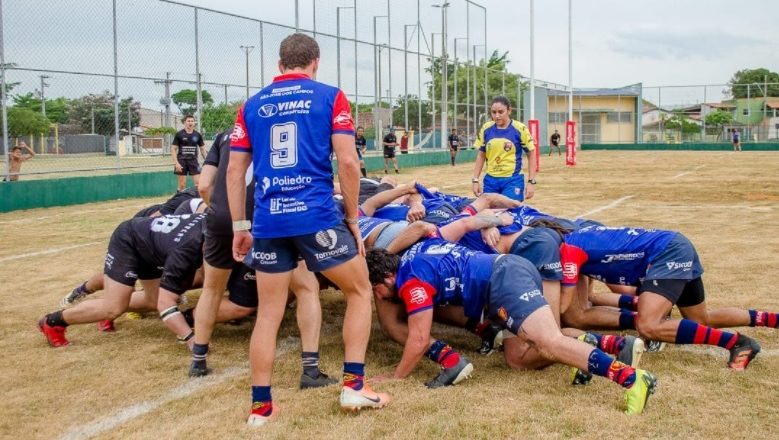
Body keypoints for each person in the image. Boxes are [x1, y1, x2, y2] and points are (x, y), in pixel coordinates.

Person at [227, 33, 390, 427]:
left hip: (268, 219)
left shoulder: (251, 105)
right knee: (358, 290)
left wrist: (239, 226)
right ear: (315, 61)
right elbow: (349, 164)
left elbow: (235, 170)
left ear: (280, 63)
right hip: (315, 216)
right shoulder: (330, 96)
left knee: (269, 311)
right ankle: (354, 386)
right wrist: (352, 218)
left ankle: (260, 409)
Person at [366, 236, 658, 415]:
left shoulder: (411, 282)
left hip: (503, 280)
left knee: (548, 341)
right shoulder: (416, 254)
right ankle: (589, 349)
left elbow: (418, 339)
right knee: (519, 358)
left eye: (375, 290)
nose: (377, 297)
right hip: (505, 273)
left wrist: (396, 377)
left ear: (387, 278)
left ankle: (631, 378)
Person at [190, 129, 336, 389]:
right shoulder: (279, 129)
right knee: (306, 288)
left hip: (222, 218)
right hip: (265, 217)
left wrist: (221, 211)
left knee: (212, 289)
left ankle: (198, 359)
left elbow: (203, 185)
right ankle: (310, 369)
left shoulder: (224, 137)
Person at [557, 223, 770, 371]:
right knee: (700, 321)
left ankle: (737, 342)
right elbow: (624, 293)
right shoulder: (578, 242)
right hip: (674, 245)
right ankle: (774, 319)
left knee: (648, 325)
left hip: (667, 253)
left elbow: (564, 306)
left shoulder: (569, 251)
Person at [38, 214, 206, 348]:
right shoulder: (187, 249)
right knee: (113, 308)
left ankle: (111, 302)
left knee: (152, 301)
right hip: (129, 241)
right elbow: (166, 302)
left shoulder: (212, 225)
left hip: (152, 245)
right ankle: (53, 322)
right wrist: (191, 339)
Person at [471, 96, 537, 202]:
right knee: (489, 215)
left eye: (501, 112)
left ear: (509, 110)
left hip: (513, 180)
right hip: (490, 181)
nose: (497, 116)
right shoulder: (486, 129)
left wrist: (531, 182)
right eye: (493, 112)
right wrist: (475, 180)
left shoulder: (520, 129)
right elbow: (481, 155)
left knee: (509, 213)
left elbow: (531, 154)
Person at [172, 115, 206, 191]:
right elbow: (173, 149)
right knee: (182, 185)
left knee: (198, 183)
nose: (190, 122)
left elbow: (202, 149)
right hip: (181, 161)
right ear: (185, 123)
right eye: (188, 121)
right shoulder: (179, 134)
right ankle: (179, 201)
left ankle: (197, 201)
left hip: (193, 161)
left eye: (192, 121)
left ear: (194, 123)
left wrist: (207, 161)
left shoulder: (197, 135)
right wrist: (176, 163)